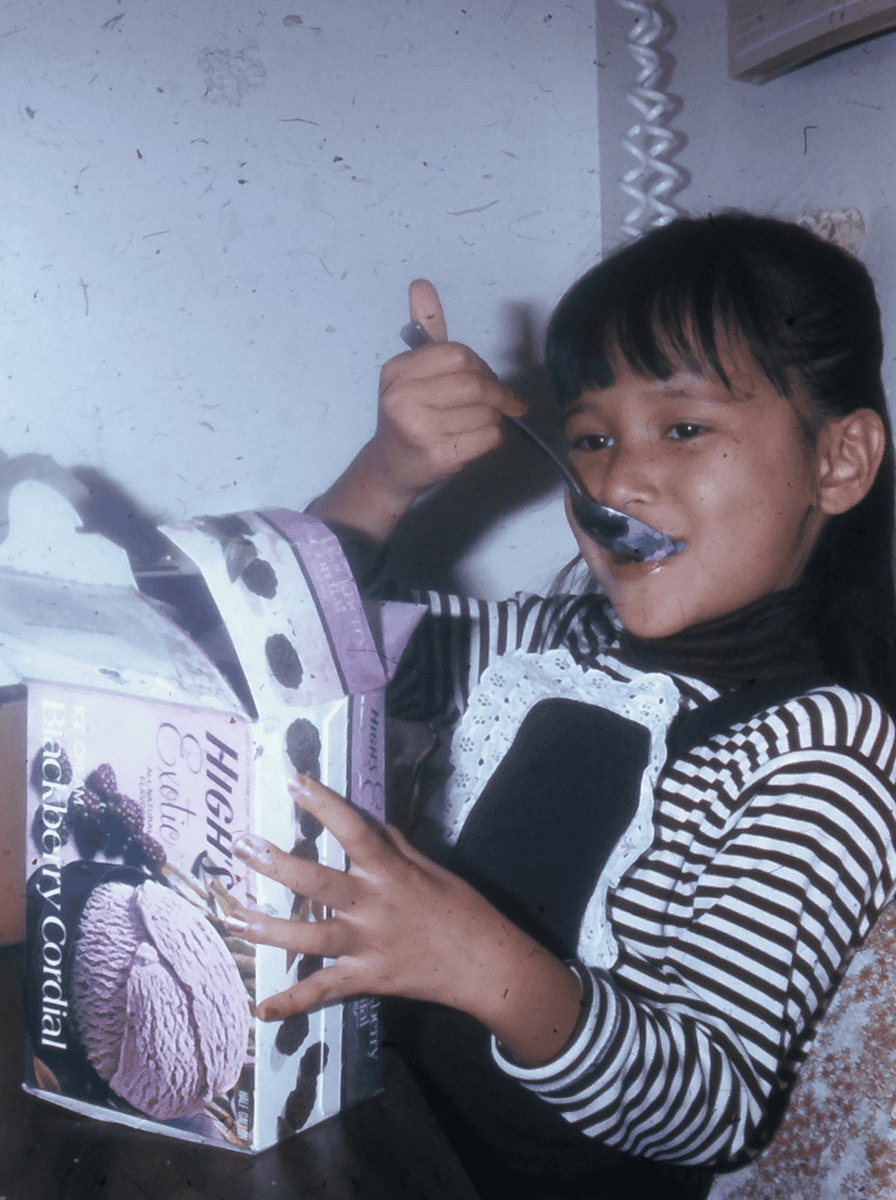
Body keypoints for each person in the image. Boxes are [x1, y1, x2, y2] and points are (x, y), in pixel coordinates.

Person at [225, 213, 896, 1199]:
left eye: (682, 427)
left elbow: (710, 1106)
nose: (614, 477)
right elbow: (290, 648)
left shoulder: (823, 746)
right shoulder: (544, 646)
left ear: (835, 462)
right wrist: (382, 480)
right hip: (382, 1122)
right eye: (588, 437)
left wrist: (472, 961)